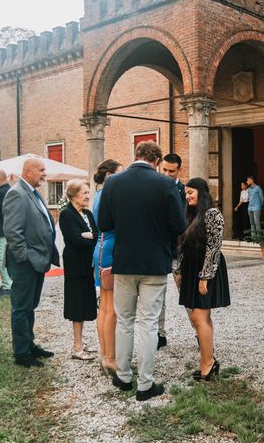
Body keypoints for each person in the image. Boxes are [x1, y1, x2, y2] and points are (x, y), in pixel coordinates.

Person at [98, 141, 186, 401]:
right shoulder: (166, 184)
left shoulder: (113, 183)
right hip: (154, 263)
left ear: (135, 155)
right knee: (148, 323)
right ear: (157, 161)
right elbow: (178, 224)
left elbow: (104, 223)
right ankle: (145, 384)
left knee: (124, 321)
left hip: (124, 262)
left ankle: (124, 377)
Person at [3, 158, 60, 368]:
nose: (45, 174)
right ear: (28, 172)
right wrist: (25, 257)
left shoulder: (33, 192)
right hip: (25, 262)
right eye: (42, 170)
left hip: (37, 260)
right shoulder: (16, 194)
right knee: (21, 307)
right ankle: (21, 353)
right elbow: (12, 232)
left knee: (30, 306)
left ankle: (29, 344)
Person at [174, 178, 230, 381]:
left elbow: (214, 248)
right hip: (189, 268)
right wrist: (179, 270)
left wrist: (205, 276)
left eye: (191, 192)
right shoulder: (190, 214)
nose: (187, 196)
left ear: (201, 192)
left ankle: (208, 363)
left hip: (205, 269)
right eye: (186, 193)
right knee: (201, 317)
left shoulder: (212, 214)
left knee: (199, 317)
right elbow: (181, 244)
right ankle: (207, 360)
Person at [59, 179, 99, 361]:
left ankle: (81, 343)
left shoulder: (88, 214)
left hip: (87, 264)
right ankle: (77, 347)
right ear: (74, 195)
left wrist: (89, 236)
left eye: (88, 192)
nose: (88, 196)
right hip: (75, 265)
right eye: (84, 192)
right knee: (76, 305)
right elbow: (74, 240)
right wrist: (88, 238)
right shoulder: (66, 214)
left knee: (85, 303)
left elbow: (97, 235)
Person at [92, 159, 123, 372]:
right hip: (110, 250)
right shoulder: (109, 196)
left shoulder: (98, 195)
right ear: (110, 176)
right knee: (111, 308)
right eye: (120, 174)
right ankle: (110, 358)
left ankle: (104, 353)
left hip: (100, 249)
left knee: (104, 307)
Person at [158, 153, 187, 350]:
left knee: (186, 293)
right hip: (159, 249)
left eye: (171, 171)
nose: (167, 174)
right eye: (164, 170)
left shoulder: (186, 191)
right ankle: (159, 334)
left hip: (179, 250)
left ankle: (198, 331)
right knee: (157, 295)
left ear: (179, 170)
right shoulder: (154, 187)